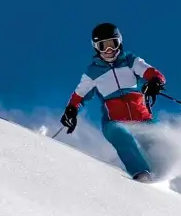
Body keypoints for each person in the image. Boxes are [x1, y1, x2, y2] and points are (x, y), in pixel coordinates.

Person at [60, 23, 165, 182]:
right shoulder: (93, 72)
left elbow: (152, 72)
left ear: (119, 42)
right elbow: (79, 95)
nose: (109, 51)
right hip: (115, 121)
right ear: (96, 48)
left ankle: (176, 186)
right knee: (120, 135)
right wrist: (71, 110)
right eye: (103, 46)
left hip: (144, 118)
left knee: (159, 148)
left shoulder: (130, 61)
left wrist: (155, 82)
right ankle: (142, 174)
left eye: (112, 44)